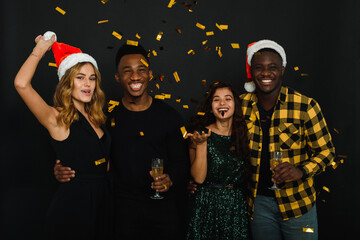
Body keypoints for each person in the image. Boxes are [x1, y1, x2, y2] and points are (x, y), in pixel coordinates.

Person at [54, 43, 190, 240]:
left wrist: (170, 179)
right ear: (118, 77)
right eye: (127, 72)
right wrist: (62, 167)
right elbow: (88, 153)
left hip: (163, 210)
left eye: (141, 70)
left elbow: (182, 162)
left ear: (150, 74)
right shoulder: (103, 118)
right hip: (121, 211)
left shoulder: (169, 116)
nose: (135, 77)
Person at [14, 31, 112, 239]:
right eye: (80, 78)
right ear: (67, 82)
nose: (87, 84)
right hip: (74, 210)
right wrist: (41, 48)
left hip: (104, 205)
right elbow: (21, 84)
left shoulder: (99, 117)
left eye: (92, 78)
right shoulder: (57, 118)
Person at [241, 39, 335, 240]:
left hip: (298, 204)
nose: (266, 73)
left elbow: (327, 152)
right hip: (258, 206)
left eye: (272, 67)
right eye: (259, 68)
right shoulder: (241, 106)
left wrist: (301, 171)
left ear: (282, 70)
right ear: (252, 71)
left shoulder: (305, 106)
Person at [186, 81, 250, 240]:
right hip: (207, 205)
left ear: (235, 104)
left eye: (228, 99)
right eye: (217, 99)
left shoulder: (245, 134)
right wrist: (201, 144)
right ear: (210, 106)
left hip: (237, 206)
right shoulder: (200, 134)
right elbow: (198, 178)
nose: (222, 103)